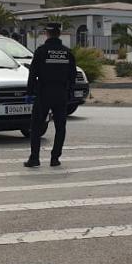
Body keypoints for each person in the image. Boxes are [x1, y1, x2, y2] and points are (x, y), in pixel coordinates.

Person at [24, 23, 76, 168]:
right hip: (61, 93)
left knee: (36, 126)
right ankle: (55, 158)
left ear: (47, 33)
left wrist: (29, 93)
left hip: (44, 93)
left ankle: (34, 158)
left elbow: (33, 74)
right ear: (59, 34)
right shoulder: (67, 52)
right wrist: (69, 93)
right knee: (60, 127)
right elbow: (73, 75)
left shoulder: (41, 51)